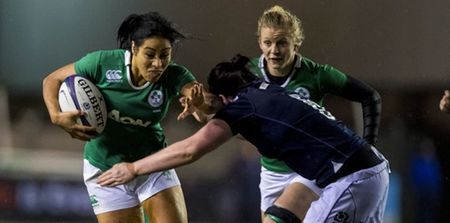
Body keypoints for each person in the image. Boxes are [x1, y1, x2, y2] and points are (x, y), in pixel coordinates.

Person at [97, 55, 390, 223]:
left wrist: (133, 168)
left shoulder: (243, 107)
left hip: (352, 178)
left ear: (224, 96)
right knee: (279, 216)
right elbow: (219, 114)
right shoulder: (269, 93)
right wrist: (204, 109)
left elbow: (190, 150)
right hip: (364, 169)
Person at [42, 11, 212, 223]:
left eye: (165, 54)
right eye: (150, 54)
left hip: (151, 165)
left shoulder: (174, 75)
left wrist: (200, 103)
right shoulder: (102, 64)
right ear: (134, 48)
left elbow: (206, 101)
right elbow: (52, 79)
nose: (158, 63)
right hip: (105, 167)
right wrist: (56, 116)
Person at [246, 5, 382, 220]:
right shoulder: (248, 73)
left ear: (296, 44)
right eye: (268, 43)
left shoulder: (316, 75)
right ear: (259, 43)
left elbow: (369, 96)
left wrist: (369, 143)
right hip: (271, 172)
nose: (274, 50)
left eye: (282, 42)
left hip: (309, 171)